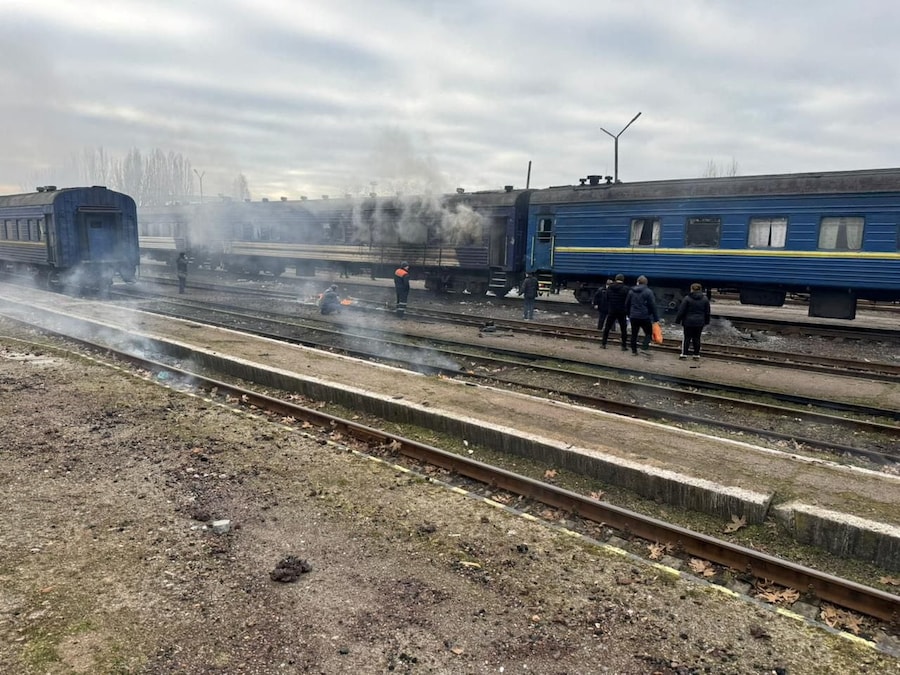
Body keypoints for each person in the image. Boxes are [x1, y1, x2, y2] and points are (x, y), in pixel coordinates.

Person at [674, 282, 711, 360]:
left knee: (687, 338)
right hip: (699, 322)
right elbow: (707, 312)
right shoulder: (705, 299)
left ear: (691, 289)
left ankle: (684, 354)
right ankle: (696, 355)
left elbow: (681, 311)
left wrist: (677, 320)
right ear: (700, 289)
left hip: (688, 322)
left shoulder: (687, 298)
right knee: (697, 338)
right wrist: (707, 321)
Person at [625, 275, 659, 356]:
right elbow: (652, 305)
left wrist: (629, 314)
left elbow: (627, 304)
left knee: (634, 334)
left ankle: (634, 351)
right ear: (646, 283)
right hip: (644, 316)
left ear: (638, 282)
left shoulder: (631, 291)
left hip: (633, 316)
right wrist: (655, 317)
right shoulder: (648, 292)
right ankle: (644, 347)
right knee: (648, 333)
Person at [601, 274, 630, 350]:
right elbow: (628, 301)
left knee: (607, 327)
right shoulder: (626, 289)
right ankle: (623, 346)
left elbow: (606, 298)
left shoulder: (610, 287)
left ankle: (603, 344)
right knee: (623, 329)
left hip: (612, 310)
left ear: (615, 279)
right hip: (622, 311)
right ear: (623, 280)